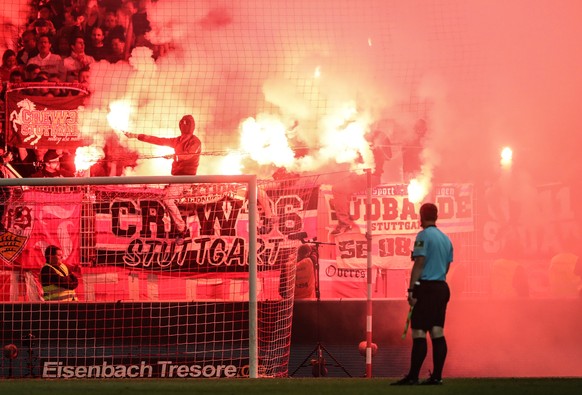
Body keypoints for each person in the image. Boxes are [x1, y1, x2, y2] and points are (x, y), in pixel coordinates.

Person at [392, 203, 453, 386]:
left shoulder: (423, 236)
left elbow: (419, 262)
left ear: (421, 216)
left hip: (426, 287)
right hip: (441, 287)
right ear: (436, 216)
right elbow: (447, 265)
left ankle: (413, 376)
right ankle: (437, 377)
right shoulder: (446, 239)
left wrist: (412, 289)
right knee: (437, 331)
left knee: (419, 332)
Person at [125, 114, 202, 244]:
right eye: (182, 124)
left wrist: (175, 156)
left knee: (167, 198)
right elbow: (158, 140)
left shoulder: (195, 142)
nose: (184, 126)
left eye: (186, 124)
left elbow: (188, 156)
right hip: (176, 179)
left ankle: (181, 229)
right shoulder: (177, 140)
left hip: (185, 180)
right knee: (156, 191)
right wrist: (136, 136)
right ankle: (173, 225)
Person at [330, 129, 392, 235]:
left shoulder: (379, 135)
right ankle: (348, 219)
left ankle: (344, 224)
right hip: (361, 175)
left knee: (338, 189)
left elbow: (388, 156)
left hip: (370, 176)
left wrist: (377, 148)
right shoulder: (356, 133)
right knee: (342, 184)